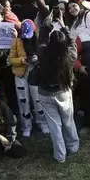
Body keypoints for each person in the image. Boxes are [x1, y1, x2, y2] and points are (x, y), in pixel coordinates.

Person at [35, 28, 80, 163]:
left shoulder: (43, 53)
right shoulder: (70, 55)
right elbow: (73, 44)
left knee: (54, 125)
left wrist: (46, 26)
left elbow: (41, 40)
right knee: (68, 120)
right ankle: (73, 146)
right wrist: (65, 28)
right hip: (64, 92)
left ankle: (60, 155)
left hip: (45, 94)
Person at [9, 19, 49, 137]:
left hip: (35, 73)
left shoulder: (39, 42)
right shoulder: (17, 42)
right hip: (21, 74)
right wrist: (21, 60)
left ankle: (42, 122)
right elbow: (10, 59)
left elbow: (45, 57)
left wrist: (38, 59)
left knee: (37, 99)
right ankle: (26, 125)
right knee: (23, 100)